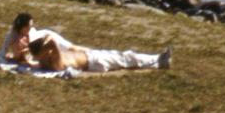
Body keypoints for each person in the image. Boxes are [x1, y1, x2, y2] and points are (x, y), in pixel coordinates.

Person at [29, 36, 172, 73]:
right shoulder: (54, 61)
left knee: (127, 59)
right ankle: (158, 59)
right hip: (95, 62)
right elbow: (55, 49)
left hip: (93, 56)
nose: (49, 48)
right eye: (45, 48)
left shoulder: (45, 60)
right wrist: (51, 43)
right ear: (42, 52)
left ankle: (158, 63)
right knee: (127, 57)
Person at [0, 13, 75, 63]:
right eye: (28, 26)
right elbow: (3, 50)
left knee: (70, 48)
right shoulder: (11, 35)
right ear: (23, 27)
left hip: (47, 36)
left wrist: (20, 53)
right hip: (41, 47)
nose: (30, 28)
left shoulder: (31, 34)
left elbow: (33, 50)